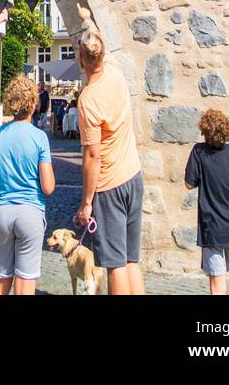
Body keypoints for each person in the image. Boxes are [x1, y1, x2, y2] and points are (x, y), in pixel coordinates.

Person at [74, 26, 145, 296]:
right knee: (131, 261)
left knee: (115, 265)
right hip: (133, 176)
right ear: (102, 56)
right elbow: (97, 38)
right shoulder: (115, 72)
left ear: (80, 58)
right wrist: (87, 20)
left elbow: (93, 156)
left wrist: (87, 203)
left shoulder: (88, 99)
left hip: (109, 186)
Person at [0, 75, 56, 296]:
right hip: (30, 212)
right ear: (33, 105)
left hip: (3, 212)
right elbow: (48, 187)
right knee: (25, 284)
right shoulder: (39, 137)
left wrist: (0, 203)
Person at [184, 108, 229, 296]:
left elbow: (189, 184)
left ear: (204, 130)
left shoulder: (198, 152)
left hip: (211, 226)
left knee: (217, 280)